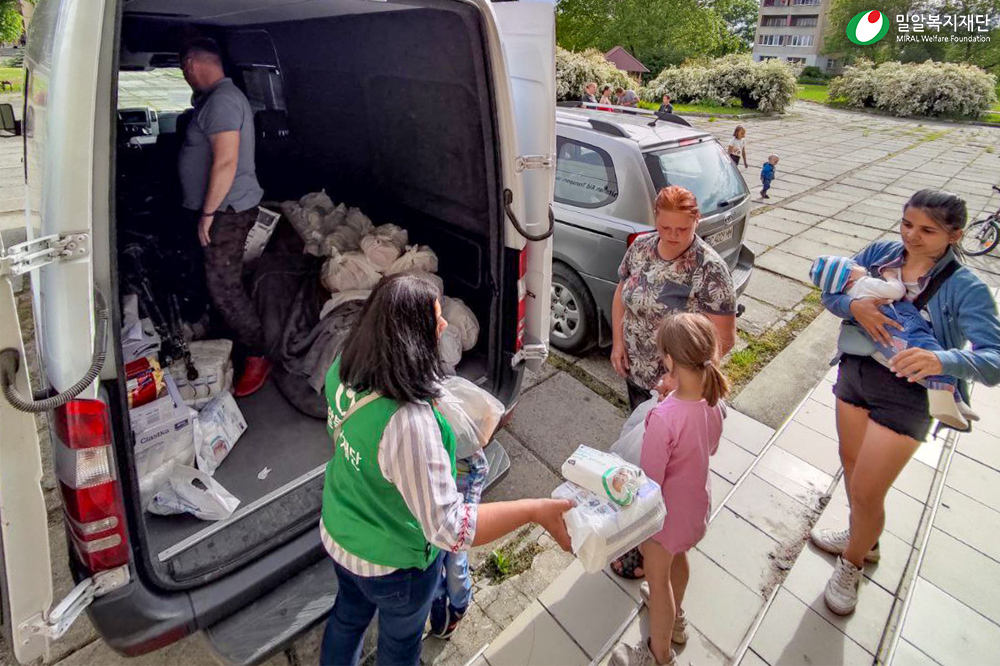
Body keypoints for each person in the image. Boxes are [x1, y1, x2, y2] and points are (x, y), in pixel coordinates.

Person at [319, 273, 574, 666]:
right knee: (400, 644)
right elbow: (450, 528)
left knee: (346, 619)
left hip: (339, 532)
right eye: (435, 319)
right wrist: (534, 511)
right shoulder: (408, 423)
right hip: (393, 567)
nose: (442, 326)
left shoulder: (344, 368)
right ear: (409, 335)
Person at [811, 189, 1000, 616]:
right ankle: (865, 538)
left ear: (955, 235)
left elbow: (995, 358)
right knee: (852, 467)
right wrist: (856, 306)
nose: (912, 236)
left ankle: (852, 564)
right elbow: (831, 291)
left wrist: (942, 359)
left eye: (928, 231)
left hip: (912, 394)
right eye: (907, 224)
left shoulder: (966, 288)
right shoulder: (881, 253)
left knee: (866, 491)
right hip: (857, 371)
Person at [609, 185, 737, 580]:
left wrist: (680, 382)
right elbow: (622, 290)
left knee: (668, 470)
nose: (672, 236)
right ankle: (641, 530)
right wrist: (618, 340)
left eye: (681, 229)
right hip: (639, 373)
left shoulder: (709, 268)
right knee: (645, 453)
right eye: (665, 227)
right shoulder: (642, 247)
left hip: (677, 392)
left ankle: (660, 538)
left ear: (696, 222)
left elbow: (722, 339)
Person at [611, 313, 728, 666]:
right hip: (696, 510)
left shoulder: (664, 417)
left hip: (665, 519)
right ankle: (677, 621)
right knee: (680, 559)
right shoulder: (714, 403)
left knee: (658, 583)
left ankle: (658, 654)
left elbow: (649, 479)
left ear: (671, 361)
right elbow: (711, 449)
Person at [178, 38, 270, 397]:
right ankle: (225, 340)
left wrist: (208, 212)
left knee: (225, 288)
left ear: (191, 64)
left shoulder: (222, 101)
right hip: (221, 210)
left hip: (226, 212)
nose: (186, 76)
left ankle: (260, 354)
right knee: (216, 282)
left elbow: (227, 161)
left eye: (185, 70)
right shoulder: (215, 100)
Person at [810, 254, 976, 430]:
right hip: (903, 325)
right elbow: (897, 291)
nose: (860, 265)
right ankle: (944, 403)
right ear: (850, 275)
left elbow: (828, 296)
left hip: (883, 339)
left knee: (917, 365)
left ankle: (955, 402)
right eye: (854, 265)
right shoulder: (865, 283)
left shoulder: (850, 292)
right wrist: (890, 276)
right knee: (936, 357)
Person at [428, 443, 489, 638]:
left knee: (455, 563)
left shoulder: (460, 430)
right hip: (431, 511)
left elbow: (480, 466)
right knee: (431, 564)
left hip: (457, 511)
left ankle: (459, 603)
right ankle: (438, 598)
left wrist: (467, 512)